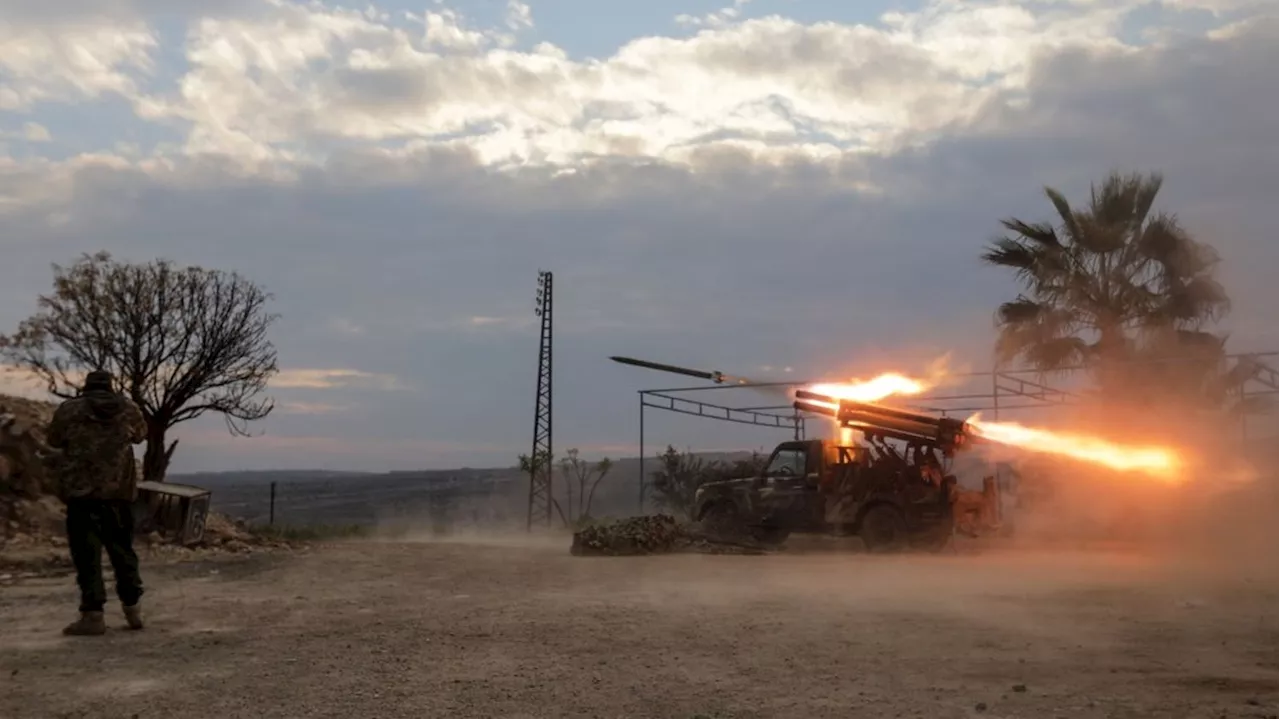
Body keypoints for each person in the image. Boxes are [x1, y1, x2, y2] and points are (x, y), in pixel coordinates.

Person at [46, 369, 148, 636]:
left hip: (82, 495)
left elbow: (54, 440)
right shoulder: (129, 409)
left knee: (87, 556)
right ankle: (133, 608)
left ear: (86, 387)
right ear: (110, 387)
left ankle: (93, 615)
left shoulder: (69, 410)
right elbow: (140, 435)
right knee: (123, 551)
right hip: (119, 495)